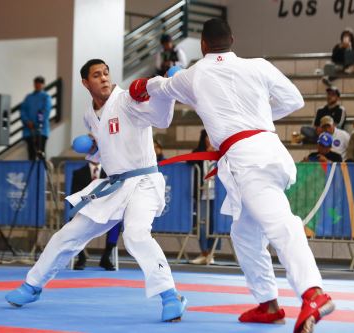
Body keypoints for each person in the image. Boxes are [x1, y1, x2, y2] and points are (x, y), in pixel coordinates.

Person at [131, 18, 335, 333]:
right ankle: (268, 303)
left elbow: (162, 86)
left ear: (202, 44)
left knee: (280, 222)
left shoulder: (195, 74)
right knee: (245, 233)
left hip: (247, 159)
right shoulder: (259, 66)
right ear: (233, 39)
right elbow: (294, 100)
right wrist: (259, 118)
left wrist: (142, 85)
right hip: (268, 147)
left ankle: (313, 292)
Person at [5, 59, 187, 322]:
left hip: (143, 181)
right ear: (85, 83)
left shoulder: (127, 99)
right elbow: (106, 151)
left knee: (136, 234)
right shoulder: (90, 115)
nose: (103, 78)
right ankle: (32, 286)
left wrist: (169, 90)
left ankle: (170, 296)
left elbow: (161, 118)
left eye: (106, 73)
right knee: (67, 234)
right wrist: (92, 148)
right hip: (113, 185)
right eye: (96, 75)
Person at [70, 161, 122, 271]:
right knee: (74, 222)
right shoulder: (78, 173)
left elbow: (115, 196)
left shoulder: (111, 173)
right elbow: (75, 197)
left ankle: (105, 258)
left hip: (105, 211)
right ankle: (81, 258)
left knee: (117, 222)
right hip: (85, 211)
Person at [189, 129, 220, 265]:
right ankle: (204, 252)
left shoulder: (222, 152)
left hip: (218, 195)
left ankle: (211, 254)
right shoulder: (198, 151)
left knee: (214, 225)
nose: (209, 138)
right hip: (202, 193)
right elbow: (189, 161)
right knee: (201, 224)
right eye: (207, 136)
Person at [20, 76, 52, 160]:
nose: (38, 85)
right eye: (36, 83)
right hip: (29, 130)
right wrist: (27, 121)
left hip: (41, 130)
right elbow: (23, 110)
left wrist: (36, 123)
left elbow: (46, 111)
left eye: (40, 83)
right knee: (31, 154)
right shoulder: (28, 97)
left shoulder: (46, 97)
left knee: (41, 153)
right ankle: (33, 173)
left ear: (43, 85)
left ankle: (42, 172)